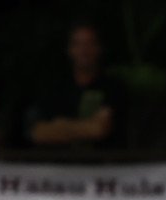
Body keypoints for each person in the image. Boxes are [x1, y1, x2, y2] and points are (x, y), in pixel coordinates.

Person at [23, 21, 126, 150]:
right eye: (78, 44)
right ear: (70, 50)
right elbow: (38, 133)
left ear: (99, 48)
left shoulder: (112, 86)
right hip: (60, 166)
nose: (84, 50)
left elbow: (99, 129)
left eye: (89, 43)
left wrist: (60, 126)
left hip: (103, 166)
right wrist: (84, 128)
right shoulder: (56, 87)